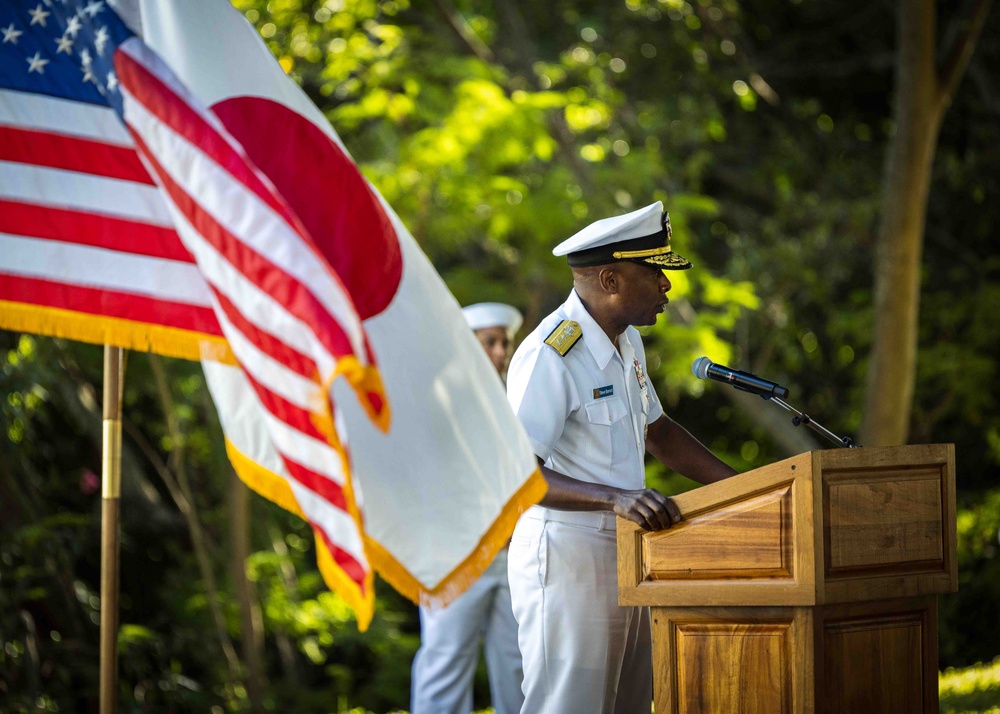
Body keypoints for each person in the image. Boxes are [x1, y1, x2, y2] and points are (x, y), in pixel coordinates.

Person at [505, 201, 738, 714]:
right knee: (570, 705)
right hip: (568, 556)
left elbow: (659, 433)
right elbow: (514, 475)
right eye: (655, 274)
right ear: (609, 279)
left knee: (631, 703)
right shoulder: (551, 353)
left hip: (629, 545)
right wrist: (617, 497)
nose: (666, 288)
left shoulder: (626, 340)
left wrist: (751, 488)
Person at [410, 302, 526, 714]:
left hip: (512, 556)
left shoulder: (519, 399)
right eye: (490, 342)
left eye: (505, 343)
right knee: (445, 664)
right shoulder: (435, 399)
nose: (501, 351)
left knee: (519, 666)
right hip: (453, 556)